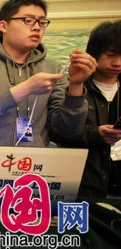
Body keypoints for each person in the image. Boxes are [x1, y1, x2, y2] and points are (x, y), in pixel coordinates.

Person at [0, 0, 97, 146]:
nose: (37, 27)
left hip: (33, 163)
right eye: (28, 20)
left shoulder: (52, 69)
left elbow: (67, 130)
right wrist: (26, 88)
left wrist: (76, 85)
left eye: (42, 22)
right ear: (3, 26)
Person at [52, 20, 121, 197]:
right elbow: (57, 133)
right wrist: (96, 134)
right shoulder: (73, 88)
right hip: (81, 188)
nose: (117, 63)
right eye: (111, 54)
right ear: (95, 53)